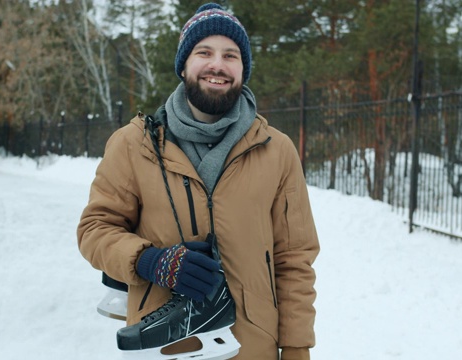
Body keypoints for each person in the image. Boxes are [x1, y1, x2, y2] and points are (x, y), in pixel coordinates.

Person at [77, 3, 320, 359]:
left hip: (253, 347)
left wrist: (297, 349)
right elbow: (95, 230)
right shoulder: (134, 144)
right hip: (162, 346)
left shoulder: (277, 150)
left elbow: (294, 260)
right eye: (204, 52)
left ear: (243, 68)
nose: (217, 65)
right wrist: (150, 261)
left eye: (230, 55)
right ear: (184, 65)